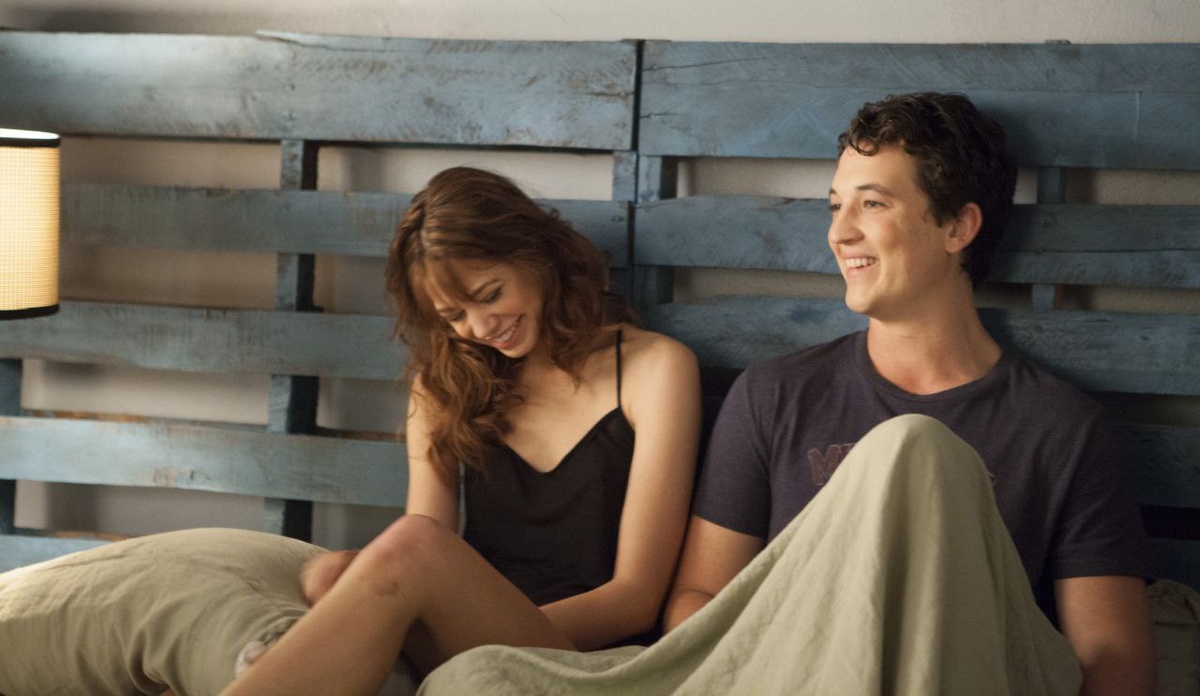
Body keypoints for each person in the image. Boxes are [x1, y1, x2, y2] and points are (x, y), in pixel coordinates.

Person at [663, 93, 1155, 695]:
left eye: (872, 204)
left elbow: (1113, 662)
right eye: (836, 206)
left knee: (917, 446)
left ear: (957, 227)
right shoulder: (774, 394)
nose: (839, 233)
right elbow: (699, 599)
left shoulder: (1059, 427)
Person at [221, 166, 701, 695]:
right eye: (454, 315)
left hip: (585, 652)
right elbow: (426, 546)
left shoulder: (656, 368)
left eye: (490, 294)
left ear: (536, 254)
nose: (480, 327)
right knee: (329, 572)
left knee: (406, 546)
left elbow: (635, 599)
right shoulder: (444, 387)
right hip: (466, 643)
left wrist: (465, 640)